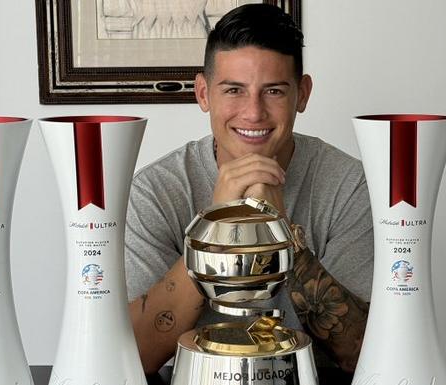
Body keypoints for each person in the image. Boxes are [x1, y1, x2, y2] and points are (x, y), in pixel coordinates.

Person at [125, 3, 373, 374]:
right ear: (204, 93)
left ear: (302, 94)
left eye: (273, 90)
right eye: (234, 90)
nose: (253, 112)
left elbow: (367, 353)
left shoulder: (347, 186)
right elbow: (134, 356)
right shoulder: (155, 191)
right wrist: (215, 227)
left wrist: (281, 233)